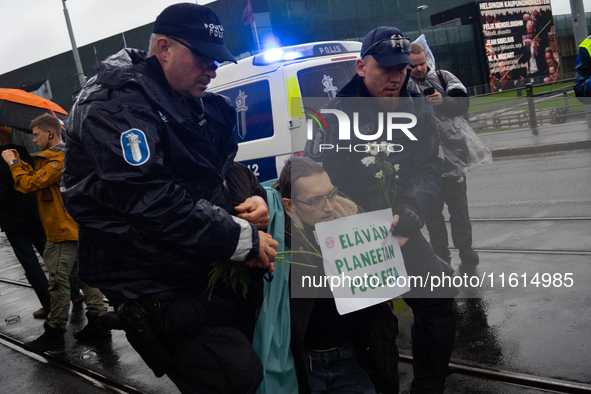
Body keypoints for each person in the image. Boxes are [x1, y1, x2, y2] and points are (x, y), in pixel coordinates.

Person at [61, 3, 278, 393]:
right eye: (204, 59)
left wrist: (256, 200)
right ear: (164, 48)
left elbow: (222, 170)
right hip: (154, 280)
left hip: (202, 268)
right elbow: (150, 199)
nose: (213, 70)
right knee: (235, 376)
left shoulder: (192, 100)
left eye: (217, 60)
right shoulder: (114, 104)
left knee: (245, 362)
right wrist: (240, 238)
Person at [313, 26, 458, 394]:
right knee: (370, 330)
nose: (397, 77)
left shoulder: (417, 105)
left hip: (400, 227)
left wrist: (411, 208)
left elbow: (429, 166)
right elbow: (321, 185)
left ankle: (427, 388)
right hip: (355, 237)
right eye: (387, 69)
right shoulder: (333, 116)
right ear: (361, 67)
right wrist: (357, 228)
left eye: (403, 69)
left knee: (439, 296)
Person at [277, 157, 399, 394]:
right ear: (290, 205)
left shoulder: (354, 221)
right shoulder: (280, 240)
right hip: (304, 366)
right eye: (316, 201)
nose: (330, 206)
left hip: (350, 357)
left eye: (331, 194)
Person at [1, 114, 110, 353]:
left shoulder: (60, 158)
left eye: (37, 135)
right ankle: (99, 320)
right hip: (64, 227)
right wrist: (24, 164)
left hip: (61, 229)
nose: (34, 139)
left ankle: (55, 331)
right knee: (83, 276)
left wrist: (13, 164)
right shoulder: (54, 158)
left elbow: (29, 184)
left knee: (58, 282)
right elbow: (36, 180)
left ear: (50, 133)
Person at [407, 42, 479, 267]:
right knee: (432, 216)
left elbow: (463, 102)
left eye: (421, 64)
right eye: (413, 66)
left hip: (454, 159)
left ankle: (466, 251)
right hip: (425, 164)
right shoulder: (404, 87)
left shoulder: (444, 77)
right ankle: (441, 257)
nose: (418, 69)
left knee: (459, 211)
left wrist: (443, 102)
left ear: (427, 59)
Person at [0, 126, 51, 318]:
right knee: (51, 257)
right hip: (34, 214)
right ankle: (72, 292)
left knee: (30, 263)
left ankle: (48, 304)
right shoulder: (23, 153)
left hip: (14, 220)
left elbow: (3, 194)